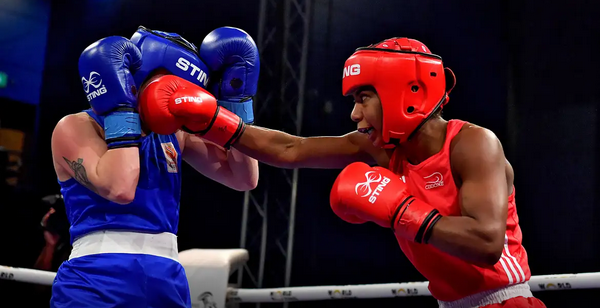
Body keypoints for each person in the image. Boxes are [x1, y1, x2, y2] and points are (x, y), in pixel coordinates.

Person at [142, 37, 545, 307]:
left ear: (406, 91)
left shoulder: (473, 144)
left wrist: (401, 211)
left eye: (364, 97)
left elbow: (487, 242)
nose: (354, 114)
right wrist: (213, 119)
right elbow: (290, 148)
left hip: (506, 300)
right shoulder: (378, 147)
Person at [49, 25, 260, 307]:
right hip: (97, 277)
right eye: (168, 84)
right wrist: (123, 109)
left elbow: (244, 178)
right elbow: (120, 187)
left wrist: (237, 105)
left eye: (182, 89)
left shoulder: (176, 135)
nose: (174, 95)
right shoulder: (76, 127)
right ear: (135, 76)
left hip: (167, 279)